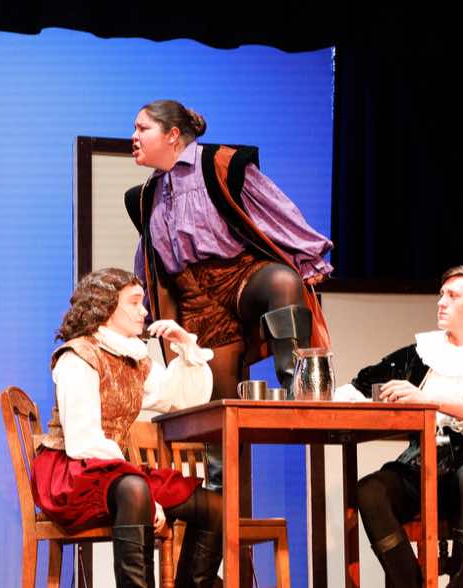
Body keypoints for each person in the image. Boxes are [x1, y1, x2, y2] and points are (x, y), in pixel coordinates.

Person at [339, 265, 463, 587]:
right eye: (442, 294)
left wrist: (427, 399)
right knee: (370, 490)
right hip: (421, 468)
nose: (441, 302)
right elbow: (361, 386)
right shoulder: (421, 354)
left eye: (453, 296)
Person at [125, 99, 333, 401]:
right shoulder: (147, 196)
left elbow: (274, 208)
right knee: (219, 403)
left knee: (283, 282)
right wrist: (143, 310)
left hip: (240, 275)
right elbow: (149, 263)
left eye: (142, 128)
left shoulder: (220, 164)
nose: (134, 136)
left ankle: (296, 389)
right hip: (197, 300)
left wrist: (306, 255)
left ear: (172, 135)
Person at [31, 268, 222, 588]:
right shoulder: (78, 356)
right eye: (133, 302)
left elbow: (181, 399)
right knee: (135, 490)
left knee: (214, 507)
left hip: (115, 473)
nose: (143, 311)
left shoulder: (133, 358)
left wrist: (186, 346)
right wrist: (146, 497)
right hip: (71, 473)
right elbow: (82, 441)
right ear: (105, 307)